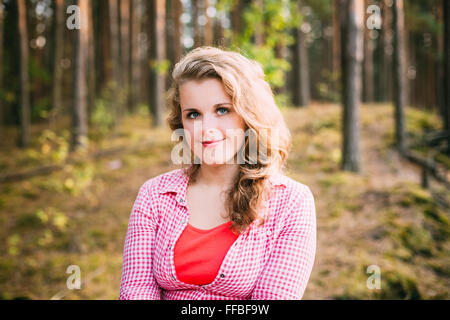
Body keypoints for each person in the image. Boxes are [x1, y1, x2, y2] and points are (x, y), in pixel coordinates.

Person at [119, 46, 316, 300]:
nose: (205, 129)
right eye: (193, 114)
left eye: (222, 110)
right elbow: (136, 290)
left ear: (249, 115)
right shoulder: (155, 195)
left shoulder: (291, 201)